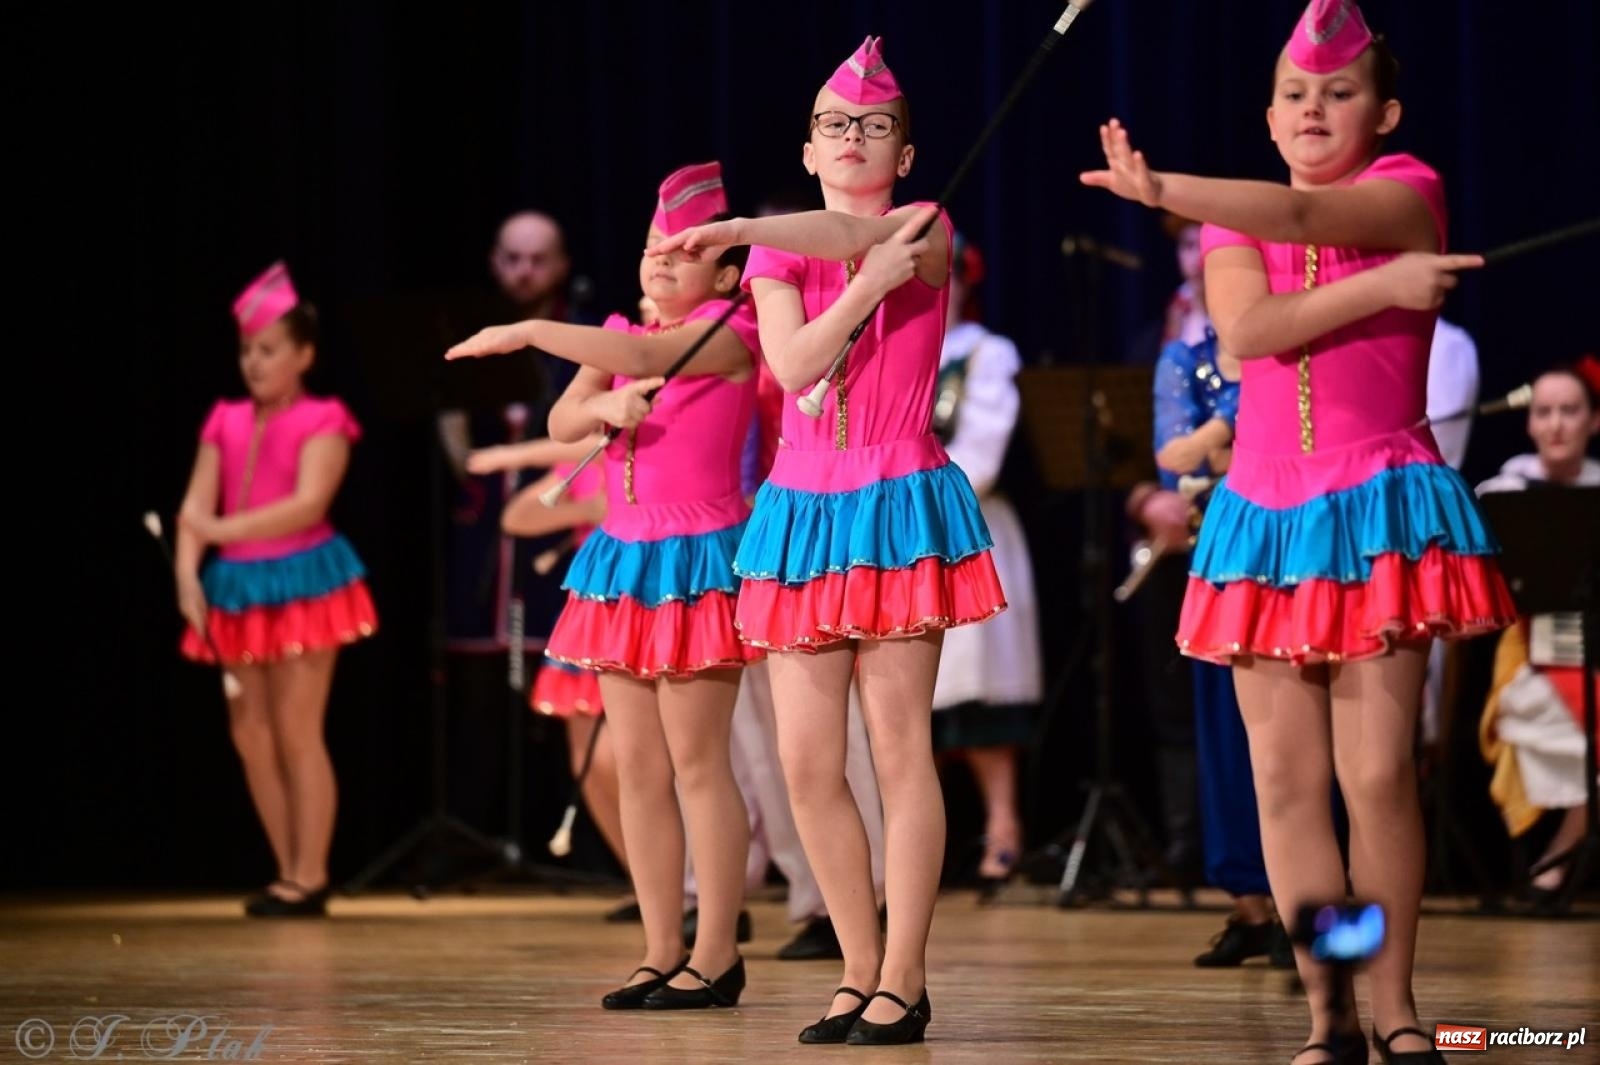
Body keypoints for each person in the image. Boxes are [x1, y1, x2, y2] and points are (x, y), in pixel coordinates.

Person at [1082, 3, 1517, 1062]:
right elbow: (1249, 329)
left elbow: (1314, 220)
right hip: (1266, 518)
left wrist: (1168, 190)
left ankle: (1394, 1004)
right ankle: (1333, 1012)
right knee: (1284, 783)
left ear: (1385, 112)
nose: (1313, 108)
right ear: (1269, 118)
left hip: (1375, 506)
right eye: (1293, 94)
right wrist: (1381, 287)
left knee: (1375, 777)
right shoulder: (1234, 220)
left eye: (1338, 92)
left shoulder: (1408, 187)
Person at [650, 37, 1007, 1045]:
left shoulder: (925, 225)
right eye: (834, 125)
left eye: (874, 126)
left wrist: (756, 232)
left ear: (905, 153)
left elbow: (873, 242)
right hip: (802, 509)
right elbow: (800, 359)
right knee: (807, 763)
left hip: (896, 497)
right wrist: (854, 282)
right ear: (808, 149)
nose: (853, 137)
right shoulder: (777, 255)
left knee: (898, 749)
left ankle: (906, 974)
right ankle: (855, 967)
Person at [450, 161, 761, 1011]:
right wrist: (602, 411)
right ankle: (660, 949)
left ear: (725, 274)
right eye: (654, 245)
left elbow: (646, 356)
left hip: (696, 555)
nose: (661, 259)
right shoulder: (620, 330)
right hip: (623, 557)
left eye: (685, 250)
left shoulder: (730, 330)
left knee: (698, 763)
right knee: (637, 767)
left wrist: (529, 329)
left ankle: (717, 950)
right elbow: (563, 419)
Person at [175, 261, 379, 918]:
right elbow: (193, 507)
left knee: (296, 726)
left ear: (304, 355)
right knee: (251, 733)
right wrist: (186, 574)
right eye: (246, 350)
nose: (254, 363)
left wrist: (217, 529)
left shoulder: (325, 417)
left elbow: (307, 504)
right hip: (235, 585)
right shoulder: (225, 417)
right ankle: (286, 867)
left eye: (268, 350)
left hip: (303, 578)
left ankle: (311, 874)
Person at [1134, 329, 1293, 969]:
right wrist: (1227, 438)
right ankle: (1250, 907)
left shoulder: (1290, 347)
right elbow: (1175, 462)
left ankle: (1303, 907)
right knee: (1224, 735)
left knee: (1293, 737)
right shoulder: (1185, 358)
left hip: (1291, 542)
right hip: (1222, 552)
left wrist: (1220, 442)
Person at [436, 210, 583, 839]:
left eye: (538, 260)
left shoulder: (581, 337)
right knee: (478, 697)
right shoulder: (472, 338)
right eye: (513, 259)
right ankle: (474, 836)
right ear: (495, 262)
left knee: (563, 692)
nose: (525, 272)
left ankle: (573, 844)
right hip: (483, 536)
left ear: (562, 266)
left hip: (557, 533)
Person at [929, 231, 1042, 897]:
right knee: (914, 699)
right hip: (903, 533)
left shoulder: (985, 353)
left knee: (978, 692)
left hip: (966, 524)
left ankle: (1003, 827)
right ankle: (923, 847)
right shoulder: (891, 348)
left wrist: (912, 492)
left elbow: (983, 455)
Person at [1476, 361, 1600, 913]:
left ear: (1594, 421)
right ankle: (1559, 860)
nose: (1556, 424)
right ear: (1528, 423)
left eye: (1569, 411)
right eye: (1544, 412)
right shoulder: (1505, 491)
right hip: (1528, 654)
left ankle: (1559, 858)